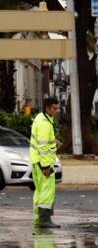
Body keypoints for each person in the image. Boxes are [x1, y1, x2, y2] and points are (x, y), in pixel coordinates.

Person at [30, 96, 60, 229]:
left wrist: (54, 142)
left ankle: (38, 218)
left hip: (36, 161)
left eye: (58, 108)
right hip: (43, 163)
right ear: (47, 108)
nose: (57, 111)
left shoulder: (40, 118)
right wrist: (46, 166)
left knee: (40, 190)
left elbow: (43, 142)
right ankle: (45, 220)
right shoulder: (45, 124)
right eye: (54, 108)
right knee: (47, 191)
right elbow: (42, 146)